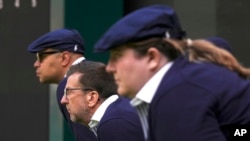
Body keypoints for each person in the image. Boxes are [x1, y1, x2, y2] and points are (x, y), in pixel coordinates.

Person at [93, 4, 250, 141]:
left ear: (152, 57)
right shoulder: (180, 84)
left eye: (117, 56)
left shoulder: (179, 94)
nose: (109, 67)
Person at [27, 28, 97, 141]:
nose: (36, 64)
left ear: (64, 58)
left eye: (41, 57)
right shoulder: (96, 74)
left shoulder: (68, 85)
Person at [61, 60, 144, 141]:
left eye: (68, 92)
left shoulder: (114, 124)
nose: (63, 100)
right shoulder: (116, 115)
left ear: (92, 98)